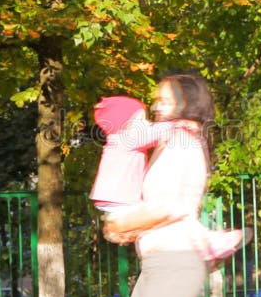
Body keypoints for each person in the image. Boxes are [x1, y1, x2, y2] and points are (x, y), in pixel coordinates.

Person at [103, 73, 243, 297]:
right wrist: (132, 229)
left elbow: (171, 206)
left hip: (174, 262)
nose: (155, 107)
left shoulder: (184, 143)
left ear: (187, 105)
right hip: (158, 263)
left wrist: (122, 225)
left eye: (165, 101)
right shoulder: (169, 143)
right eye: (156, 100)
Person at [90, 95, 250, 261]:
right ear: (124, 124)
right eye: (141, 120)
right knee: (175, 212)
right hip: (120, 203)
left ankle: (204, 242)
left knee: (165, 219)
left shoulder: (120, 140)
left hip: (117, 203)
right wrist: (180, 124)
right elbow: (153, 132)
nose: (146, 123)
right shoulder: (124, 138)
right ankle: (204, 244)